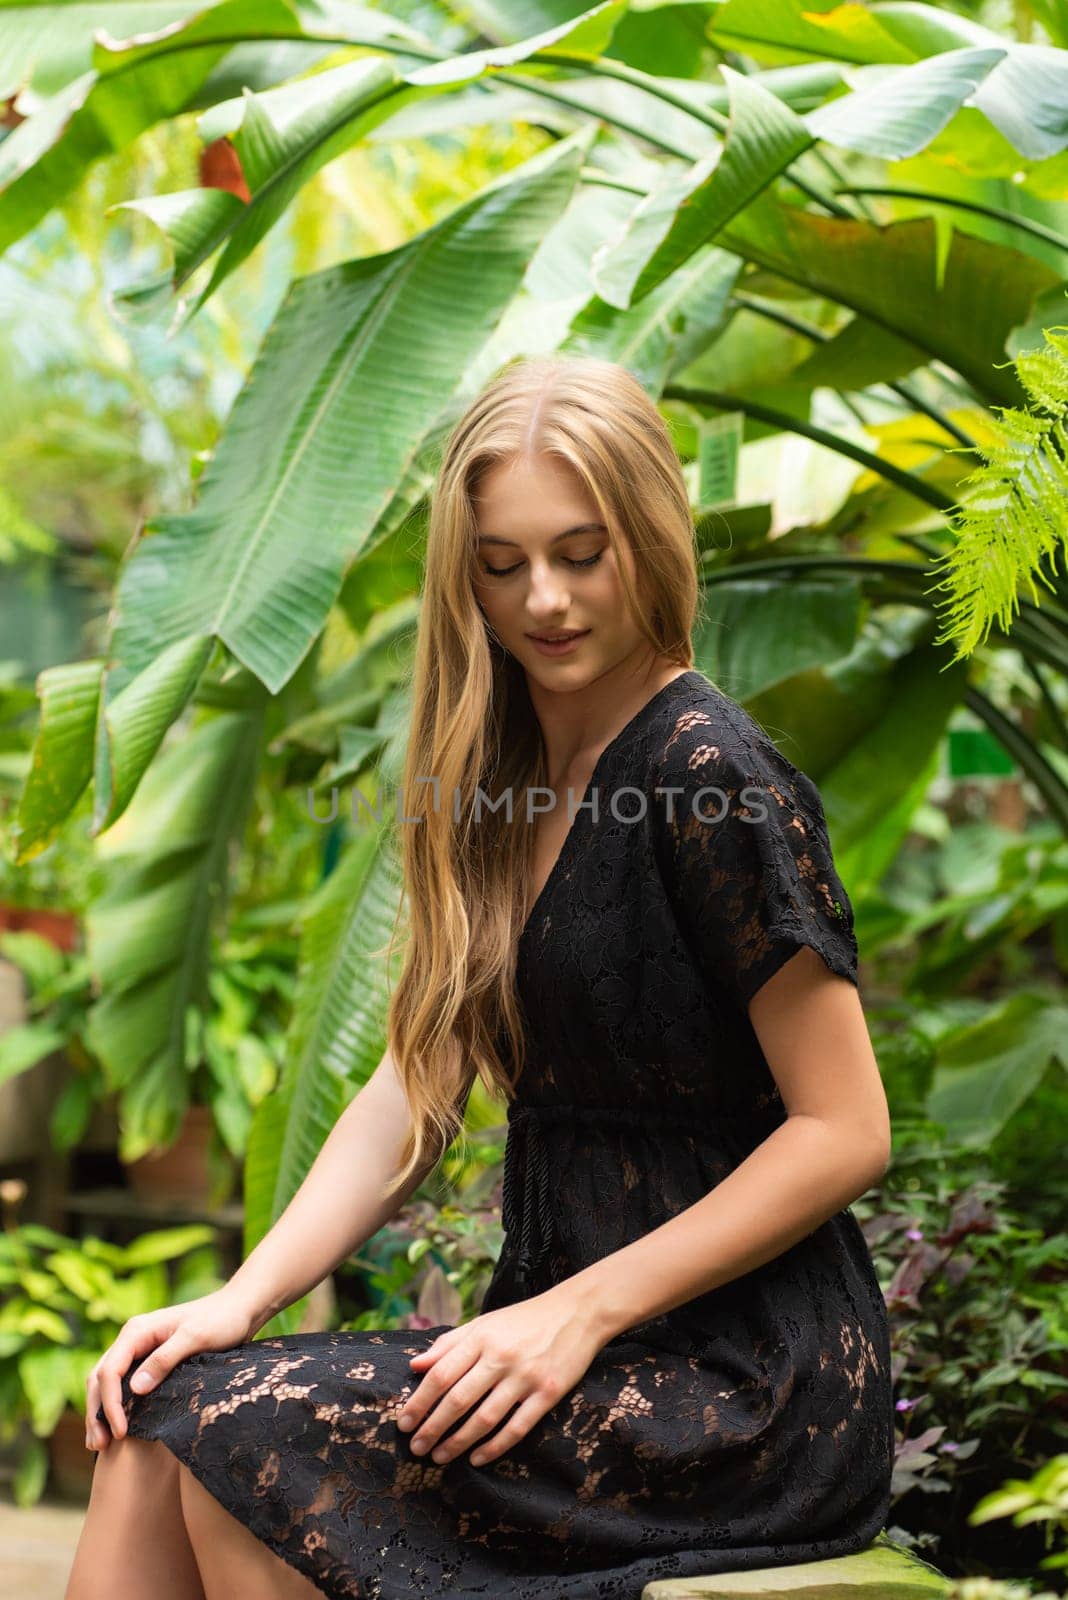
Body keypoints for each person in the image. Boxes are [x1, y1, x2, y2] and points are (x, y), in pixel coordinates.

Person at [67, 354, 895, 1600]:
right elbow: (415, 1080)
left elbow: (847, 1129)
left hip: (741, 1377)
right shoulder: (495, 776)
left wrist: (579, 1312)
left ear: (653, 537)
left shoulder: (707, 770)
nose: (546, 600)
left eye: (583, 552)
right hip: (555, 1343)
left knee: (249, 1450)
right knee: (160, 1408)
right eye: (502, 566)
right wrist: (240, 1297)